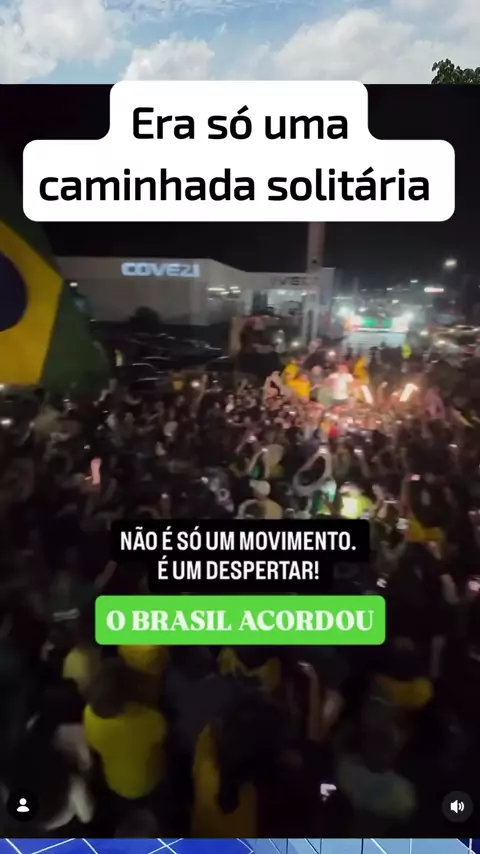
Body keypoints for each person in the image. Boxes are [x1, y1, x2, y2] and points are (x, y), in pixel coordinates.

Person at [83, 659, 167, 801]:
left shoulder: (89, 715)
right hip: (148, 781)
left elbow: (93, 745)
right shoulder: (150, 718)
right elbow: (162, 738)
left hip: (115, 782)